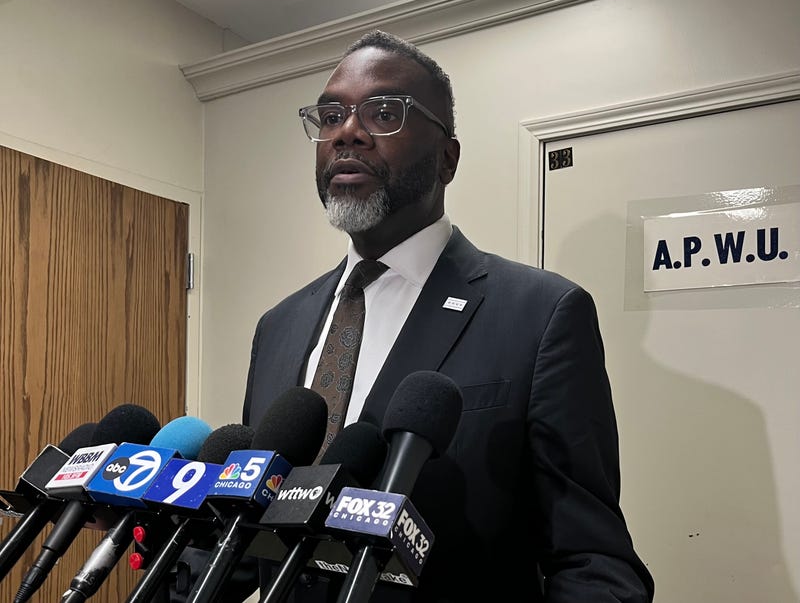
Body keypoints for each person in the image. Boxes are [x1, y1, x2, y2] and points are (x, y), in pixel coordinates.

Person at [242, 30, 655, 602]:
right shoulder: (278, 326)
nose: (346, 133)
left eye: (383, 112)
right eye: (331, 114)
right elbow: (251, 526)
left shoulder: (542, 316)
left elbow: (591, 560)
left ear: (447, 158)